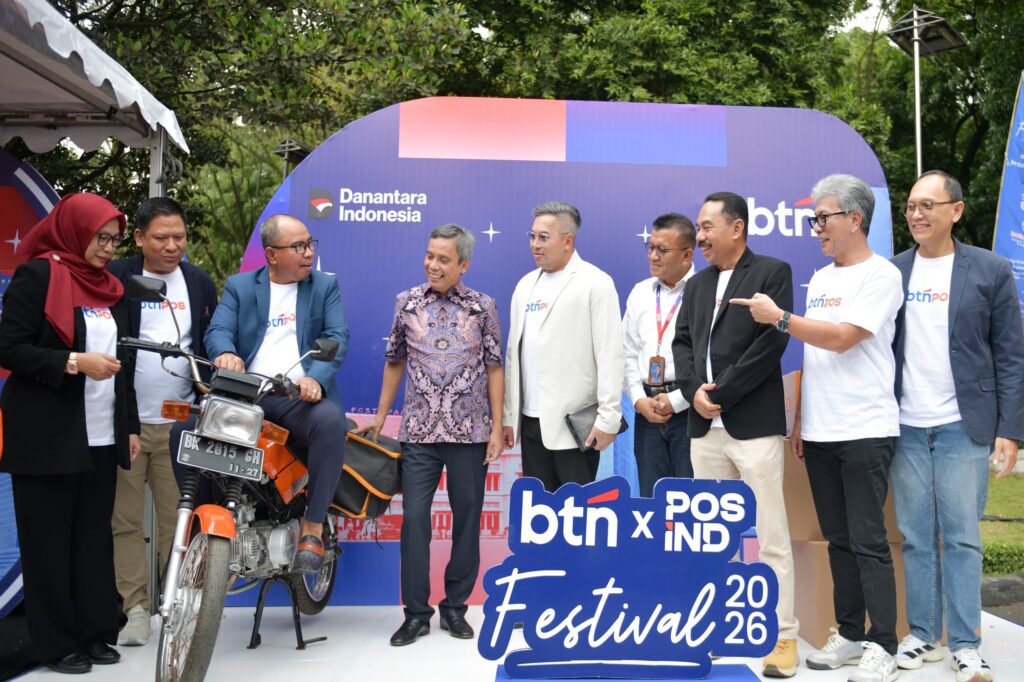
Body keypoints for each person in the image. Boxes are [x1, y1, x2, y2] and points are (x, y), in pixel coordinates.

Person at [733, 175, 904, 682]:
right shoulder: (824, 278)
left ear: (855, 219)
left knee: (869, 539)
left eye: (823, 218)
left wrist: (780, 318)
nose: (817, 228)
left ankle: (884, 644)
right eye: (814, 220)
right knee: (838, 538)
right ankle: (849, 633)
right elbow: (814, 355)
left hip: (866, 426)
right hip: (822, 430)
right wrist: (801, 419)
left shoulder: (881, 275)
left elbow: (843, 338)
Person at [890, 171, 1024, 682]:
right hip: (904, 424)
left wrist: (1009, 429)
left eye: (928, 204)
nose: (917, 214)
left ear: (956, 211)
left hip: (964, 425)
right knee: (917, 537)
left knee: (963, 538)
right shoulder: (893, 272)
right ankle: (923, 633)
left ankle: (966, 644)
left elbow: (1010, 354)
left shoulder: (990, 269)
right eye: (911, 206)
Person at [0, 193, 140, 675]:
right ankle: (57, 644)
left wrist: (129, 426)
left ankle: (96, 632)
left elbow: (124, 366)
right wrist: (74, 362)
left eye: (114, 240)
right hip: (46, 435)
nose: (107, 248)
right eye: (100, 238)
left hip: (100, 434)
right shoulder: (38, 275)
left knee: (93, 540)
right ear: (74, 231)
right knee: (49, 544)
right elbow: (9, 348)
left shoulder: (112, 288)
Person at [354, 224, 503, 647]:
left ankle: (455, 607)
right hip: (418, 433)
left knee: (467, 519)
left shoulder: (483, 307)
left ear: (463, 264)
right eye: (429, 256)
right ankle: (416, 613)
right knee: (415, 520)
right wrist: (381, 417)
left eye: (443, 259)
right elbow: (394, 361)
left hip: (469, 433)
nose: (433, 265)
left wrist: (496, 426)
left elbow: (495, 367)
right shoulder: (407, 302)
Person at [671, 191, 799, 678]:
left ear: (737, 227)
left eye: (707, 227)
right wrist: (694, 393)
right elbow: (683, 344)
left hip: (753, 427)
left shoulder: (772, 272)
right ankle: (713, 629)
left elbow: (771, 344)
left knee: (771, 536)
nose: (699, 236)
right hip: (705, 428)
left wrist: (721, 393)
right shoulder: (697, 283)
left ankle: (782, 636)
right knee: (710, 539)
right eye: (699, 227)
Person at [202, 213, 349, 573]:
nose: (309, 252)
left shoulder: (324, 286)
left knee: (330, 422)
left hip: (297, 398)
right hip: (247, 397)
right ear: (271, 254)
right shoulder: (240, 286)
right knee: (183, 431)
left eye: (310, 244)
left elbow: (336, 337)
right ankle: (207, 527)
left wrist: (315, 379)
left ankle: (312, 527)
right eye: (298, 246)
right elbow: (218, 330)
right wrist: (226, 353)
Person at [106, 197, 219, 646]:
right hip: (127, 424)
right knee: (125, 520)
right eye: (161, 237)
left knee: (180, 521)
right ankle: (134, 608)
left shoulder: (198, 282)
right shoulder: (118, 277)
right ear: (138, 238)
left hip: (180, 426)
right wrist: (126, 421)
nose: (172, 246)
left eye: (179, 237)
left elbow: (206, 348)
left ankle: (176, 606)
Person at [502, 201, 624, 492]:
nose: (535, 244)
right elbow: (513, 357)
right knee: (539, 511)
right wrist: (509, 416)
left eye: (544, 237)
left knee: (576, 511)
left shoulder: (596, 283)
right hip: (530, 423)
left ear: (568, 241)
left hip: (576, 426)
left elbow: (610, 354)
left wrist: (609, 418)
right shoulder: (524, 285)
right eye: (532, 236)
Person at [622, 212, 697, 496]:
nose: (653, 256)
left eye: (662, 250)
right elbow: (626, 353)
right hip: (647, 411)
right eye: (650, 247)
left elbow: (710, 360)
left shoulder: (705, 291)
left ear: (687, 255)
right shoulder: (640, 292)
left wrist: (677, 401)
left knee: (690, 502)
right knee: (651, 502)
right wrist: (638, 400)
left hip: (690, 409)